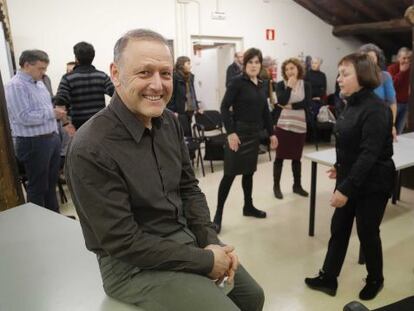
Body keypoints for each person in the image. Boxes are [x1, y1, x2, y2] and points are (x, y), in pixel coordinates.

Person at [65, 29, 264, 311]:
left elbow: (188, 188)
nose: (157, 85)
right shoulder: (91, 148)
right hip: (131, 267)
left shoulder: (169, 123)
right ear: (115, 73)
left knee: (253, 298)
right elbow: (123, 242)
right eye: (144, 73)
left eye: (165, 73)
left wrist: (210, 243)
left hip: (185, 238)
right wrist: (206, 261)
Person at [305, 53, 395, 301]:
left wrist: (345, 189)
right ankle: (328, 277)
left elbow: (369, 154)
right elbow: (349, 143)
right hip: (351, 176)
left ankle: (376, 279)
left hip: (373, 181)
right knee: (340, 227)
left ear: (363, 76)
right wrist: (339, 166)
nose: (339, 79)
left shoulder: (376, 109)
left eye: (345, 74)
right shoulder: (349, 104)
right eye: (339, 73)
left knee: (367, 232)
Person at [212, 48, 278, 233]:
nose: (254, 65)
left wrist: (272, 133)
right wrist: (231, 133)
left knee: (249, 173)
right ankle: (218, 215)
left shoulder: (262, 84)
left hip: (254, 134)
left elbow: (265, 111)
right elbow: (224, 107)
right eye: (251, 62)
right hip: (238, 135)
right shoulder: (237, 83)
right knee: (229, 174)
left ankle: (248, 206)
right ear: (244, 64)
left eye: (257, 62)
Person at [5, 50, 66, 212]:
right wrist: (53, 113)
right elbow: (23, 117)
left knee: (50, 184)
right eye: (41, 68)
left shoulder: (38, 83)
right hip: (34, 142)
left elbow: (42, 110)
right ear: (26, 65)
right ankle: (40, 225)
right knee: (38, 187)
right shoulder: (15, 86)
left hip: (50, 138)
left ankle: (54, 219)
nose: (43, 72)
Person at [272, 58, 310, 199]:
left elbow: (307, 103)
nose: (289, 71)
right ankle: (276, 186)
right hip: (284, 125)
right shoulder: (281, 85)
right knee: (279, 157)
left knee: (296, 157)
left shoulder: (306, 85)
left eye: (292, 68)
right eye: (287, 69)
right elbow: (281, 101)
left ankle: (297, 186)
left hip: (299, 125)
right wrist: (289, 86)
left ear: (298, 69)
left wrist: (291, 106)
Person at [54, 41, 115, 129]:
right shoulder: (102, 76)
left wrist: (66, 124)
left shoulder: (68, 78)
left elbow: (60, 102)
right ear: (93, 57)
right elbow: (117, 95)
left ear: (76, 59)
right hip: (100, 122)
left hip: (78, 126)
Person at [359, 43, 397, 140]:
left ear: (378, 59)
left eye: (372, 58)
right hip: (360, 122)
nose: (369, 61)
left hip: (380, 122)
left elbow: (392, 103)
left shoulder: (385, 76)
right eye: (365, 58)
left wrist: (391, 125)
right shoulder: (356, 76)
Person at [167, 56, 200, 131]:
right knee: (182, 132)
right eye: (188, 63)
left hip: (189, 110)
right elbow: (171, 95)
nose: (190, 66)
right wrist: (173, 111)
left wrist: (197, 107)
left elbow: (193, 93)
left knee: (188, 131)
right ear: (182, 65)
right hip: (179, 111)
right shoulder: (175, 76)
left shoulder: (190, 76)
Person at [387, 47, 411, 134]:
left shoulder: (410, 69)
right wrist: (402, 72)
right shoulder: (391, 68)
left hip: (405, 104)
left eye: (409, 58)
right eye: (404, 58)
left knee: (399, 131)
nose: (406, 61)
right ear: (398, 58)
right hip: (394, 104)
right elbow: (391, 85)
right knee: (390, 130)